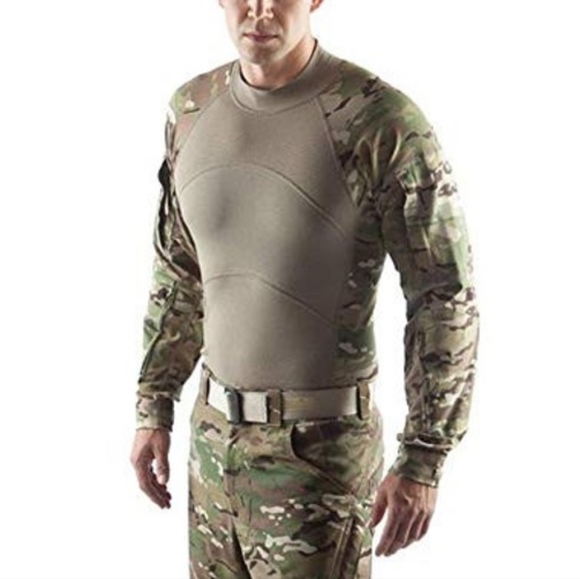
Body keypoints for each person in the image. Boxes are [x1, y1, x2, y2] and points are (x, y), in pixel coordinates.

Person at [130, 0, 480, 577]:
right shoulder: (191, 110)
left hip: (318, 460)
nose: (260, 9)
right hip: (212, 446)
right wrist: (154, 405)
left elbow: (444, 295)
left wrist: (424, 457)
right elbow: (179, 268)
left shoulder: (379, 122)